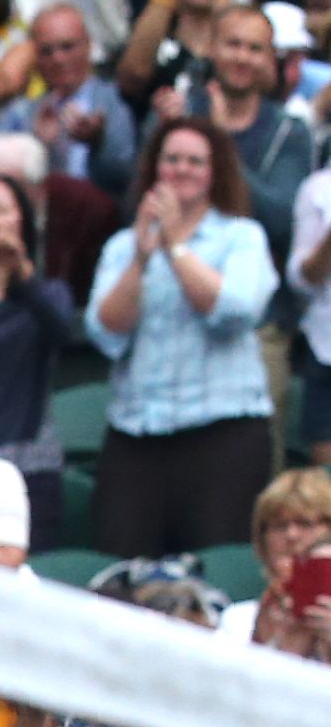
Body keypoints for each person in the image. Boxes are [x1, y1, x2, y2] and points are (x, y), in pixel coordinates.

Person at [85, 114, 279, 560]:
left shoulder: (241, 238)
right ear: (155, 169)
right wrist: (140, 259)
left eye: (196, 161)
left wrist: (174, 246)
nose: (182, 170)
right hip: (137, 432)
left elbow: (234, 310)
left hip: (222, 433)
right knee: (124, 573)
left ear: (215, 173)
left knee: (215, 570)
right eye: (172, 159)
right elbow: (104, 329)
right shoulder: (122, 246)